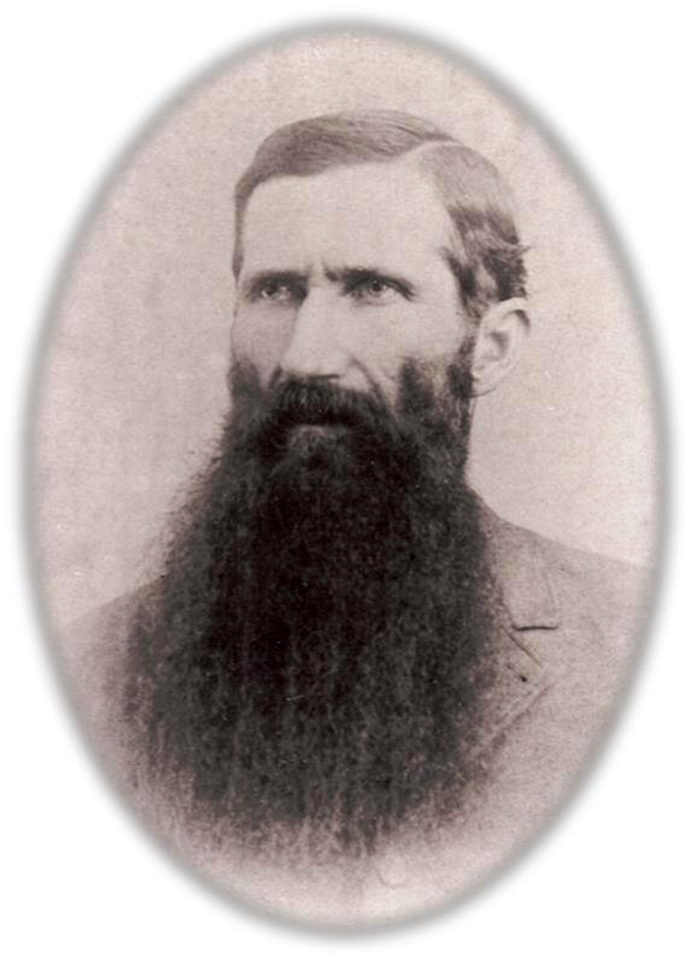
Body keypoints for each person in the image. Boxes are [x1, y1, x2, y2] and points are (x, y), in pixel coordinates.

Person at [69, 111, 646, 926]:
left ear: (490, 346)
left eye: (373, 289)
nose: (306, 355)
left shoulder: (640, 656)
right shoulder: (77, 681)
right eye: (276, 291)